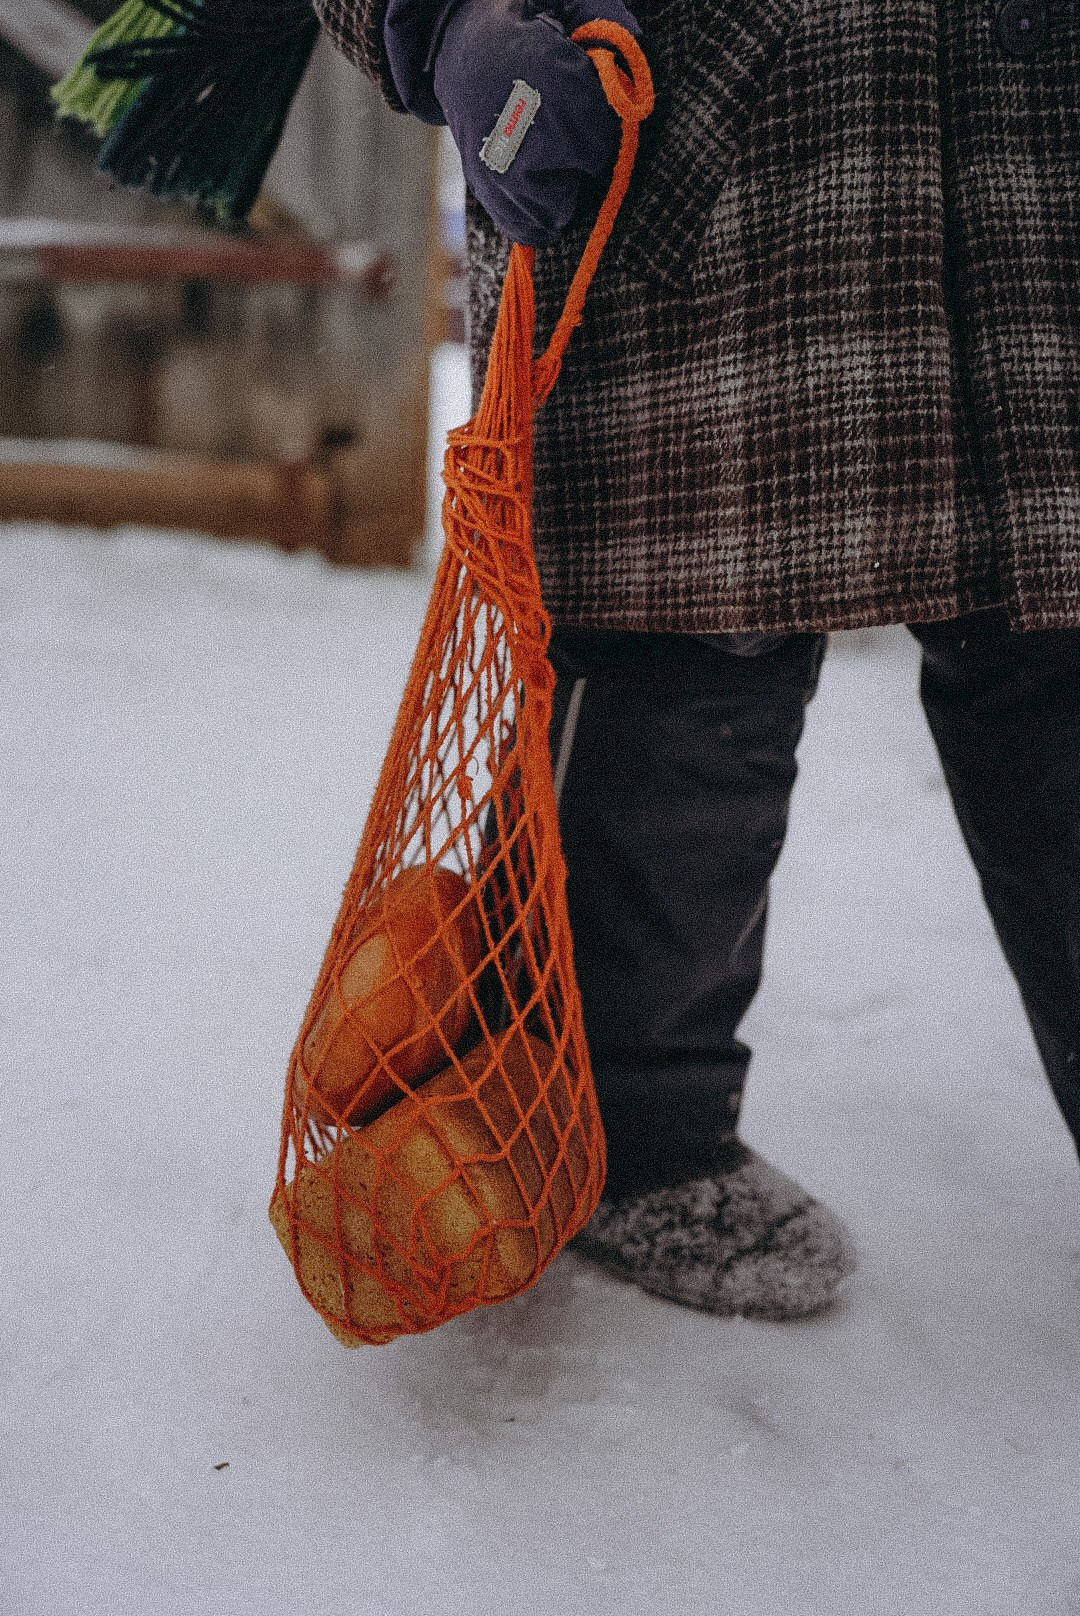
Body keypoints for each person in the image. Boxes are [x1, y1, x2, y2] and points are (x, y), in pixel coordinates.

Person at [311, 0, 1080, 1319]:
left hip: (1028, 149)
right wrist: (433, 20)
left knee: (1057, 646)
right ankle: (630, 1139)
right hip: (701, 138)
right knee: (682, 651)